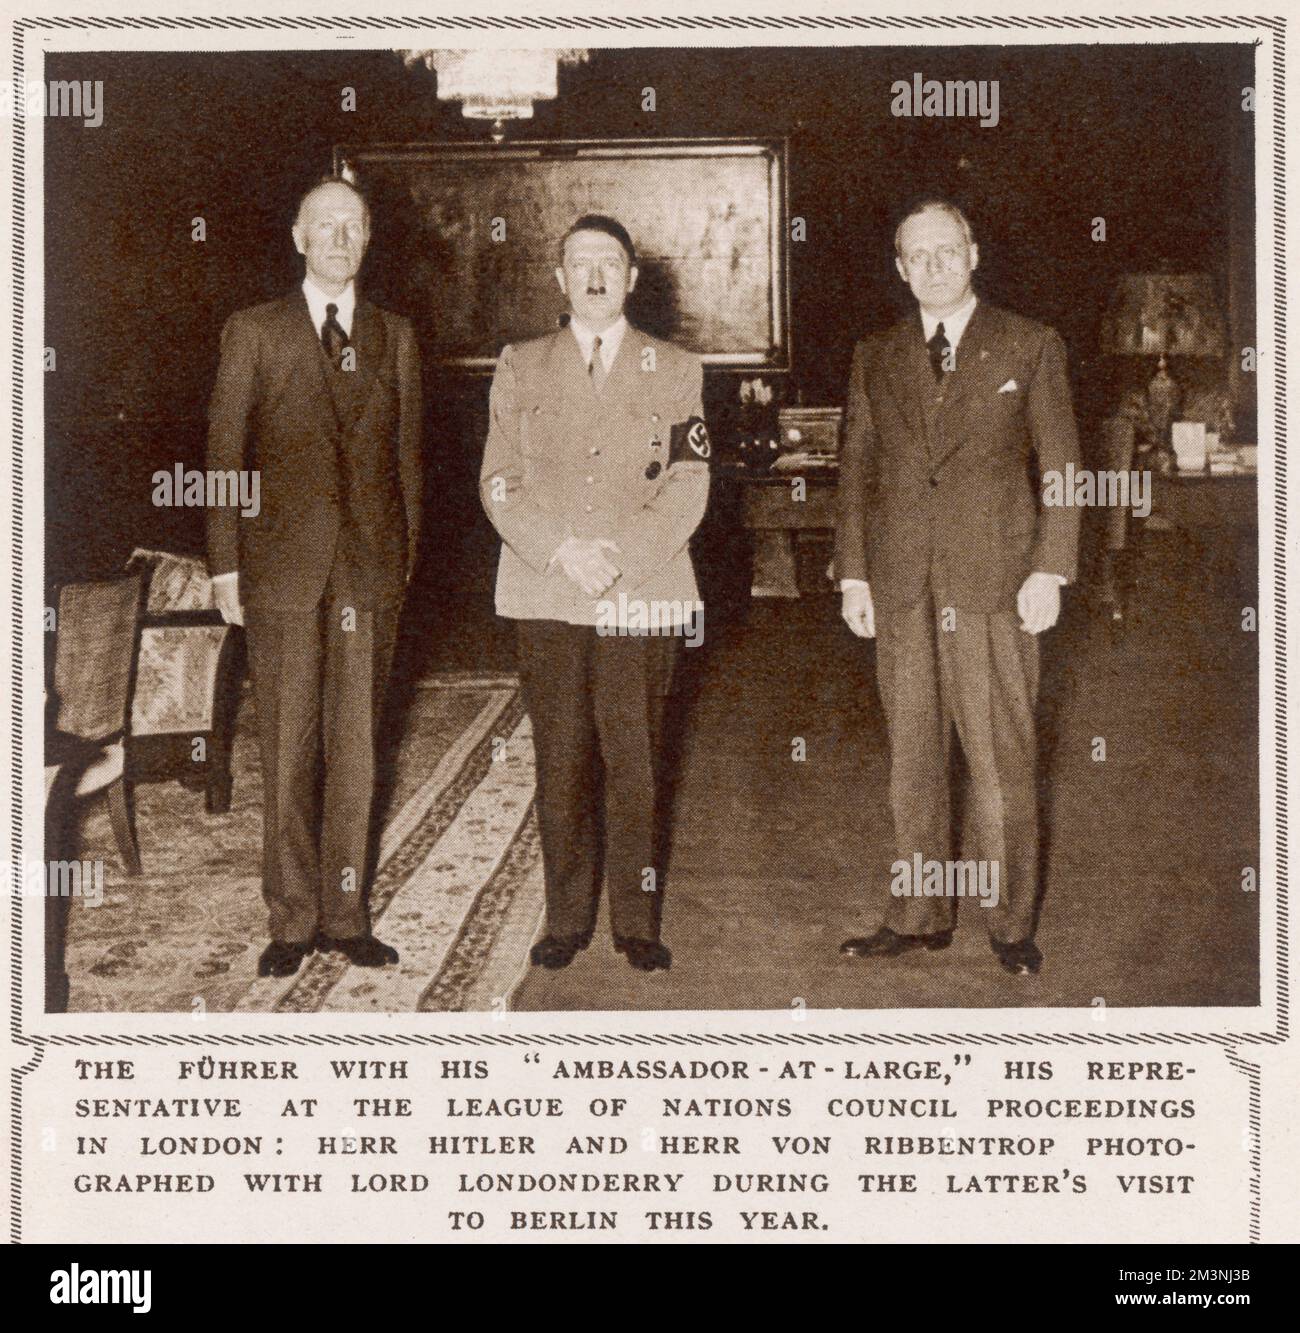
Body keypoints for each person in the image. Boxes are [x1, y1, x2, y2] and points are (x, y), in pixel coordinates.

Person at [835, 198, 1080, 976]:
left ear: (974, 254)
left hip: (996, 584)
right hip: (902, 583)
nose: (935, 264)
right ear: (901, 268)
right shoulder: (875, 355)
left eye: (949, 249)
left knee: (1002, 759)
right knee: (912, 758)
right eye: (919, 254)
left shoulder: (1031, 344)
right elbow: (855, 475)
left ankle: (1010, 926)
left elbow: (1064, 468)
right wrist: (853, 574)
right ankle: (917, 915)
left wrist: (1052, 567)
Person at [480, 214, 710, 974]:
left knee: (635, 756)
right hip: (548, 586)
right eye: (581, 263)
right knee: (562, 757)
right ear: (560, 278)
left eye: (609, 262)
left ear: (633, 277)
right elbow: (499, 480)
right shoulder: (520, 363)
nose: (596, 275)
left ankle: (636, 921)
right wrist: (560, 550)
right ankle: (566, 918)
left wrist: (624, 558)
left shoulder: (676, 368)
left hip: (641, 589)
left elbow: (689, 481)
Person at [206, 176, 423, 978]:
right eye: (324, 225)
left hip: (369, 575)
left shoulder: (395, 334)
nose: (339, 238)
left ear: (368, 240)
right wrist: (225, 563)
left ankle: (345, 913)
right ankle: (293, 920)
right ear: (298, 237)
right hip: (280, 574)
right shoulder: (254, 331)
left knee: (358, 749)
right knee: (290, 747)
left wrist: (401, 565)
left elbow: (409, 466)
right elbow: (224, 458)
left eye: (354, 226)